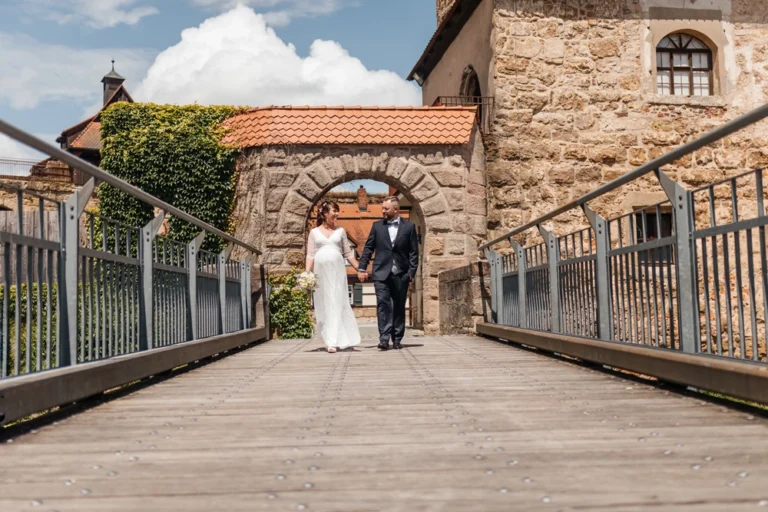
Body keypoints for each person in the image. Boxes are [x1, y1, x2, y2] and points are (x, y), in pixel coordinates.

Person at [357, 196, 419, 351]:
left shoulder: (409, 227)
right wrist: (362, 267)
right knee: (383, 304)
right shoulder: (377, 226)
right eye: (382, 208)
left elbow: (413, 252)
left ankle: (397, 338)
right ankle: (384, 339)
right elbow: (368, 249)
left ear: (396, 209)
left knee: (398, 305)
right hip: (381, 272)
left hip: (401, 273)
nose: (383, 211)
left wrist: (411, 273)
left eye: (386, 208)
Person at [305, 200, 362, 353]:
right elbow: (310, 255)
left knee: (337, 301)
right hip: (321, 273)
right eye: (334, 211)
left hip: (337, 272)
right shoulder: (314, 232)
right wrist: (307, 273)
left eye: (338, 211)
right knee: (324, 303)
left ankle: (335, 340)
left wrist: (359, 268)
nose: (337, 214)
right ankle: (330, 340)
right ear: (324, 213)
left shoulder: (341, 232)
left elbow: (349, 254)